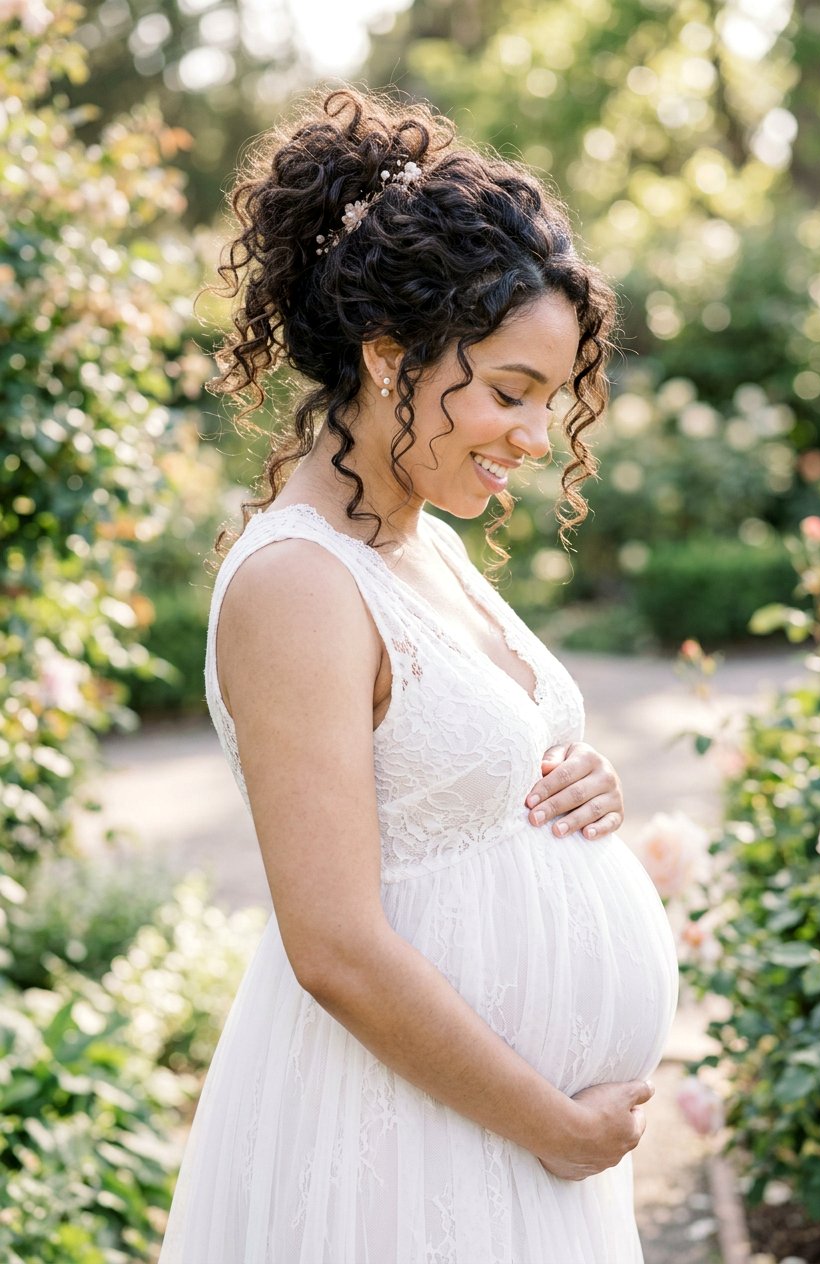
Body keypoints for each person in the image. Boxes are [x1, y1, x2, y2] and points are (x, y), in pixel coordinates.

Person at [158, 86, 679, 1263]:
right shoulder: (298, 584)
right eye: (507, 391)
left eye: (550, 401)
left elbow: (454, 777)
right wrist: (551, 1123)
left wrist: (575, 785)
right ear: (387, 357)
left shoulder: (418, 542)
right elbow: (333, 944)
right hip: (404, 1147)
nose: (536, 440)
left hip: (506, 1142)